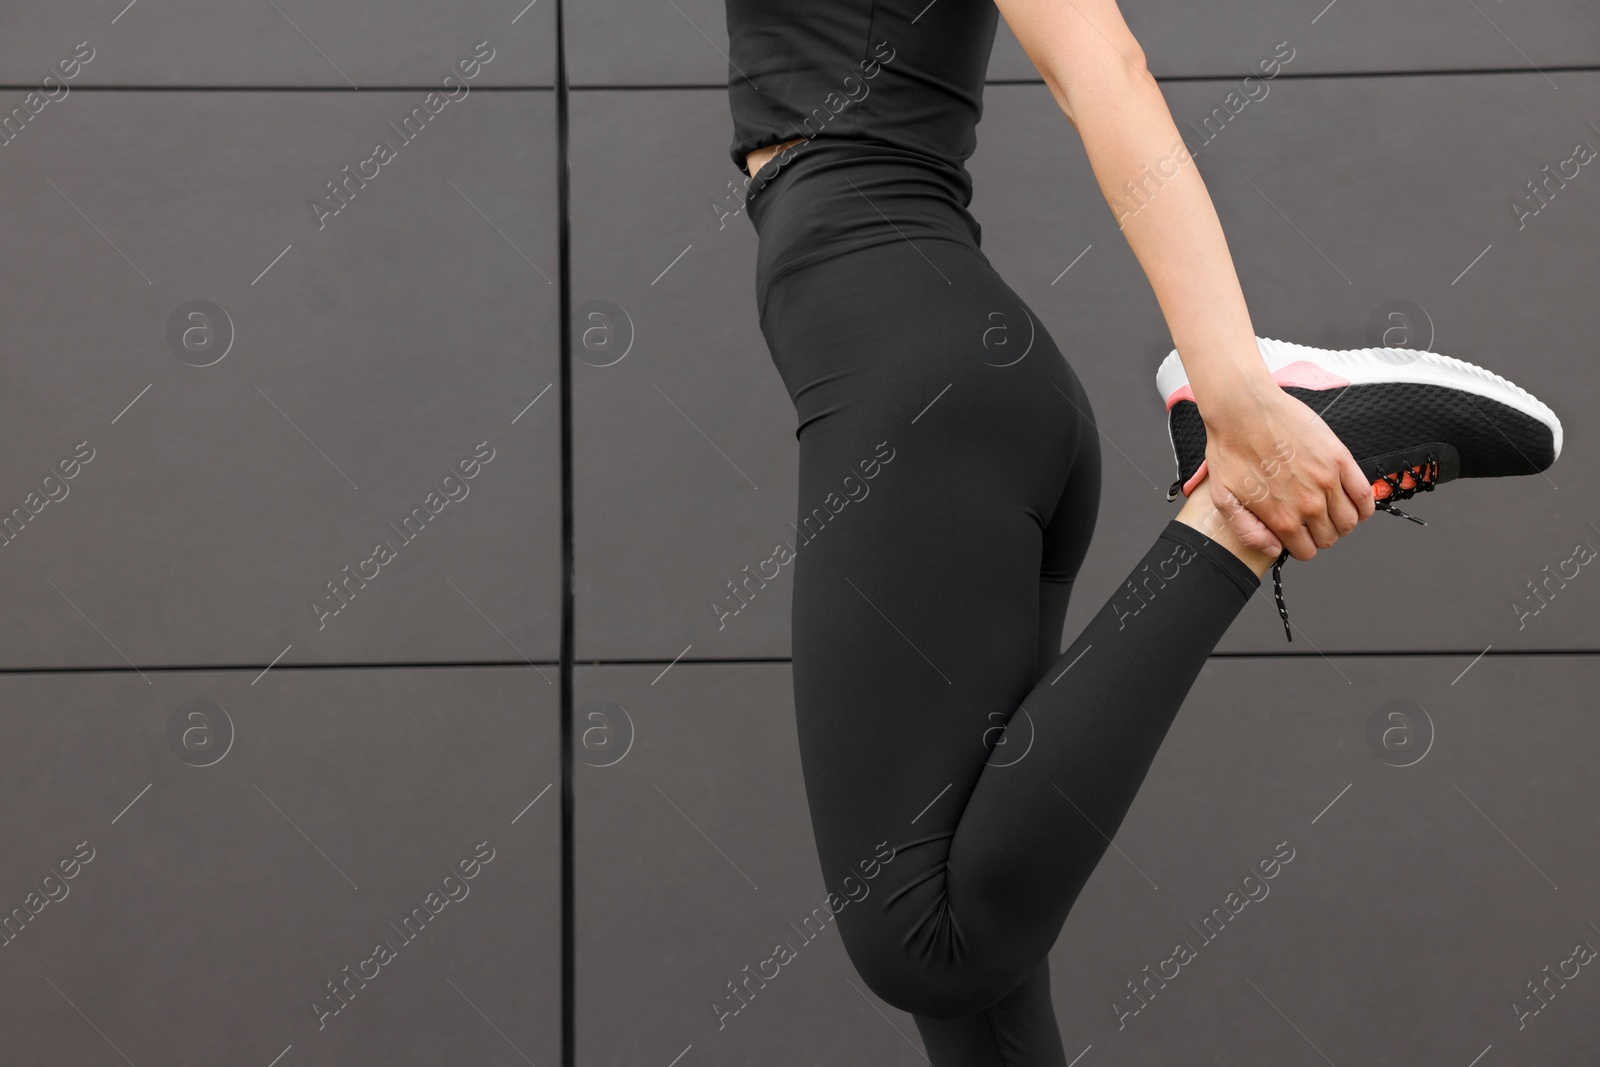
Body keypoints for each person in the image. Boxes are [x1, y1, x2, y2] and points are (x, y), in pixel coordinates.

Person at [723, 1, 1562, 1062]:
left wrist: (1235, 392)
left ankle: (1233, 511)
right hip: (937, 379)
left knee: (923, 941)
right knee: (981, 1011)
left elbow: (1098, 62)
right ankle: (1234, 488)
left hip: (916, 386)